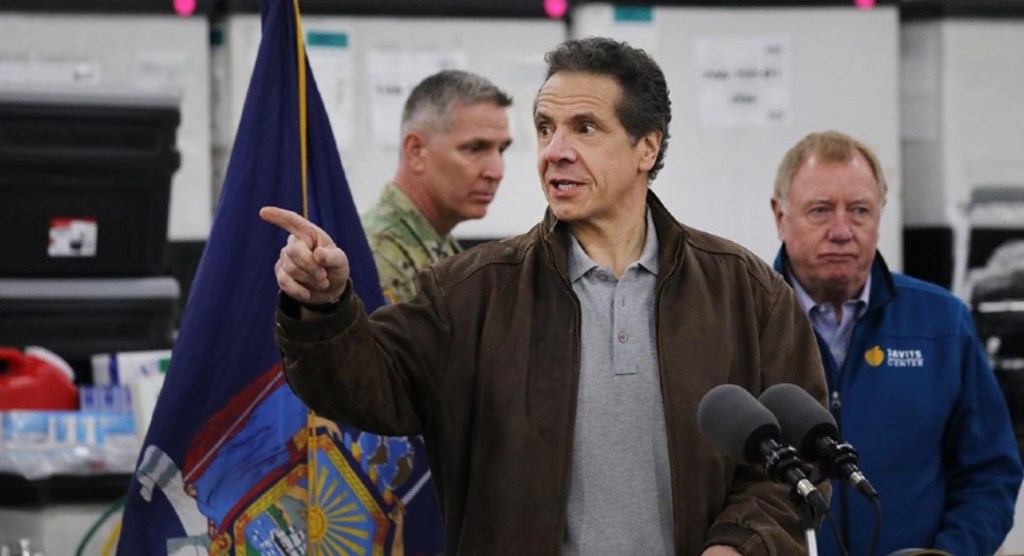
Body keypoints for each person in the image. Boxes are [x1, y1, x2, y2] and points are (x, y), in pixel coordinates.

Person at [262, 37, 828, 555]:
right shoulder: (472, 291)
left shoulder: (745, 292)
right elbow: (365, 390)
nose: (555, 150)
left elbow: (797, 463)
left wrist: (737, 547)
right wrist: (325, 307)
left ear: (646, 148)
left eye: (584, 128)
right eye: (544, 127)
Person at [770, 130, 1023, 556]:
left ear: (880, 216)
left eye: (859, 211)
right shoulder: (744, 324)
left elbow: (989, 474)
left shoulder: (942, 323)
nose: (841, 230)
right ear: (780, 215)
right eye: (820, 210)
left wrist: (950, 553)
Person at [362, 69, 512, 303]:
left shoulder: (436, 240)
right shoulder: (378, 256)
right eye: (475, 148)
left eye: (501, 150)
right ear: (416, 151)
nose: (496, 171)